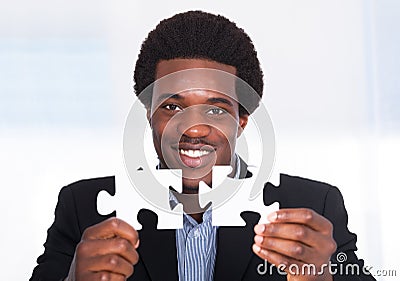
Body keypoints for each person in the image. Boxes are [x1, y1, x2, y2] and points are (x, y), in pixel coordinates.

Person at [30, 11, 375, 281]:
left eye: (215, 108)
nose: (194, 128)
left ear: (242, 119)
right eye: (172, 106)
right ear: (149, 114)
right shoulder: (84, 209)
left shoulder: (312, 208)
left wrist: (322, 279)